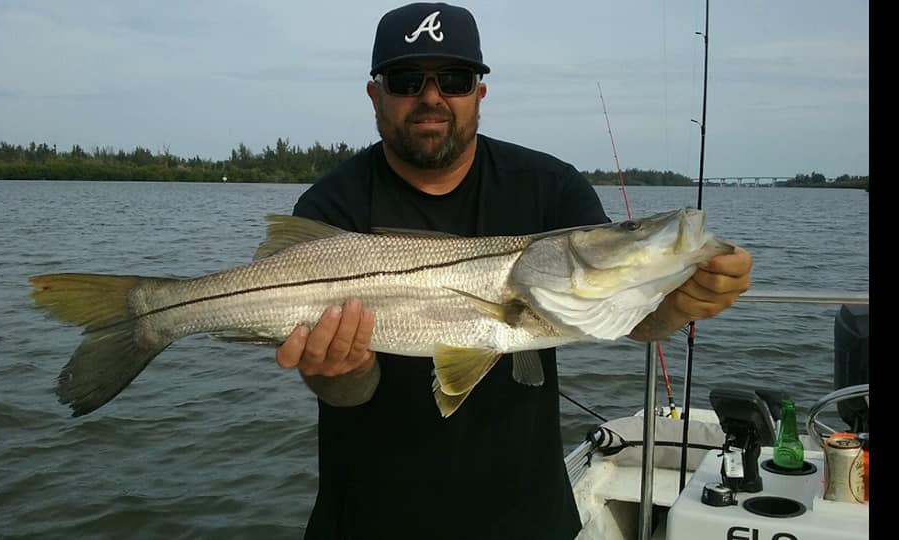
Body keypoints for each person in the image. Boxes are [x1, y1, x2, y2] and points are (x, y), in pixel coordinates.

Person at [275, 3, 753, 539]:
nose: (431, 97)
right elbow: (345, 392)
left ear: (479, 92)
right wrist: (337, 370)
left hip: (526, 516)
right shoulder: (331, 204)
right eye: (407, 80)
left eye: (454, 79)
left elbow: (623, 318)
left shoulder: (550, 187)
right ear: (375, 95)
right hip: (367, 518)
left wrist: (678, 304)